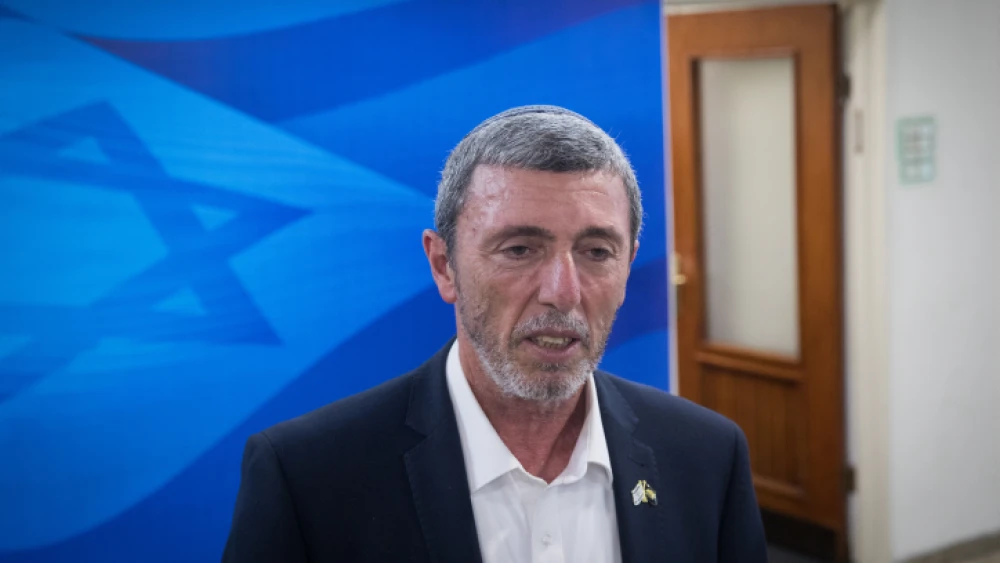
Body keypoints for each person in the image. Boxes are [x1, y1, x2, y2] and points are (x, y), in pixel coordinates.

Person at [222, 106, 767, 562]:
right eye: (520, 249)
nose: (562, 291)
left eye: (596, 252)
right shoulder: (308, 476)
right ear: (444, 266)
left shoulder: (706, 457)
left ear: (627, 269)